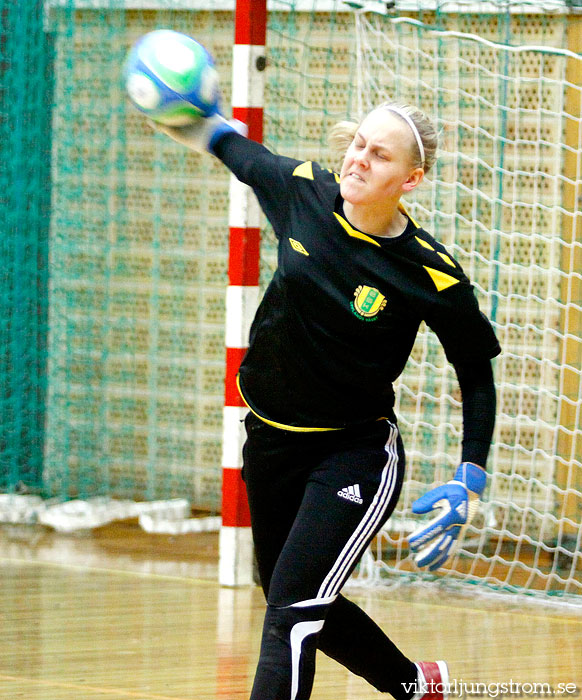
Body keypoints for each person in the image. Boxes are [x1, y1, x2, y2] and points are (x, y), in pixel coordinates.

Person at [154, 87, 500, 700]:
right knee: (293, 591)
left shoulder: (428, 270)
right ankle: (417, 686)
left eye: (380, 155)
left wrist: (469, 473)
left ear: (411, 179)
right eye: (358, 144)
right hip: (268, 439)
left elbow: (474, 368)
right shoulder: (305, 190)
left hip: (354, 453)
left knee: (289, 612)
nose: (359, 159)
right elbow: (233, 147)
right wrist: (187, 114)